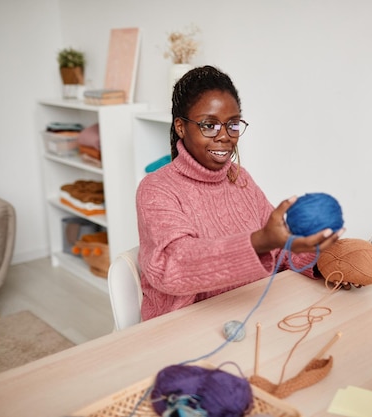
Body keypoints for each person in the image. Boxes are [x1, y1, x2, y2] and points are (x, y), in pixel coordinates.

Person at [136, 65, 344, 320]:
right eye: (209, 126)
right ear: (181, 127)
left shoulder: (240, 179)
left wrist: (331, 262)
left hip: (251, 312)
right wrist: (260, 241)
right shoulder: (156, 188)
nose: (225, 136)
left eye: (232, 125)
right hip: (185, 326)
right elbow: (174, 266)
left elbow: (279, 251)